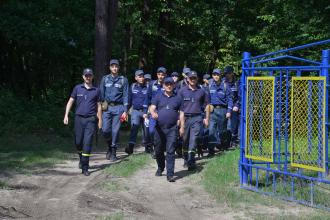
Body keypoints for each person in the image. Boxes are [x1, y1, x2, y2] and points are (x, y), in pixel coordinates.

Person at [63, 68, 102, 176]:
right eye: (86, 75)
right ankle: (81, 158)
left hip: (91, 120)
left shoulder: (96, 90)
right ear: (83, 77)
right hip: (79, 119)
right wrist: (66, 115)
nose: (88, 77)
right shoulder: (77, 88)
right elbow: (70, 101)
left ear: (92, 76)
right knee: (78, 142)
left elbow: (99, 106)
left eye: (90, 75)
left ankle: (85, 167)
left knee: (87, 143)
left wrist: (100, 120)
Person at [150, 77, 182, 182]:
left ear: (174, 85)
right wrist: (153, 113)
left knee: (170, 151)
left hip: (172, 128)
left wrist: (181, 124)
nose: (169, 86)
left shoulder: (177, 98)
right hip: (159, 128)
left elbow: (181, 112)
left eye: (171, 84)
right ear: (163, 85)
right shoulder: (158, 96)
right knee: (158, 150)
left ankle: (170, 174)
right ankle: (160, 167)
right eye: (167, 84)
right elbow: (152, 107)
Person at [179, 70, 209, 170]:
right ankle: (186, 159)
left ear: (197, 79)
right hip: (185, 118)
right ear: (187, 79)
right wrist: (178, 120)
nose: (192, 80)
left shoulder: (201, 91)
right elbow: (178, 107)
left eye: (194, 78)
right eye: (190, 78)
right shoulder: (182, 91)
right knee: (185, 140)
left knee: (194, 140)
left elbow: (207, 105)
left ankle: (191, 161)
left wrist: (206, 118)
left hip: (197, 118)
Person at [99, 59, 129, 161]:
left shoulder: (123, 80)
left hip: (119, 108)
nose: (114, 68)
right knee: (105, 130)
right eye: (113, 66)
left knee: (115, 131)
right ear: (110, 68)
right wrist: (100, 107)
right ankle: (109, 147)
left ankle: (113, 151)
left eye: (116, 66)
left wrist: (125, 111)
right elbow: (101, 94)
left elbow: (126, 95)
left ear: (118, 68)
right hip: (107, 108)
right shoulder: (105, 79)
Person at [207, 68, 233, 157]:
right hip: (213, 111)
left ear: (220, 75)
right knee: (211, 130)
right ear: (212, 76)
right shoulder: (210, 86)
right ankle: (211, 150)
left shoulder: (225, 86)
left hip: (223, 110)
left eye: (217, 75)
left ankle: (223, 148)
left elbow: (230, 99)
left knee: (222, 131)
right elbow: (207, 99)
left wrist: (229, 111)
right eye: (214, 75)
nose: (216, 76)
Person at [126, 70, 151, 154]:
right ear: (136, 77)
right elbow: (129, 99)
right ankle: (130, 148)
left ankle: (148, 147)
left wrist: (148, 111)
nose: (141, 78)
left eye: (142, 76)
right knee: (134, 129)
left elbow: (151, 99)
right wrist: (125, 111)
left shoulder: (148, 87)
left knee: (146, 130)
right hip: (135, 111)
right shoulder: (132, 86)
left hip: (146, 112)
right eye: (139, 76)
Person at [148, 67, 167, 157]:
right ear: (157, 75)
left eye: (162, 74)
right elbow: (148, 98)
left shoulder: (168, 84)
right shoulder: (152, 84)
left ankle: (159, 149)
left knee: (163, 132)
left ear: (165, 75)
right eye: (159, 74)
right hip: (153, 112)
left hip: (164, 112)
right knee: (151, 131)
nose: (161, 76)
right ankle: (153, 146)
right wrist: (147, 110)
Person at [223, 66, 240, 148]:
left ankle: (234, 140)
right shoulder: (223, 82)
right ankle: (224, 142)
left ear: (232, 73)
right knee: (224, 125)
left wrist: (237, 105)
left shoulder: (236, 83)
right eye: (226, 73)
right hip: (224, 106)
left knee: (234, 125)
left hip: (234, 106)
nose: (227, 75)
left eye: (228, 73)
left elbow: (239, 96)